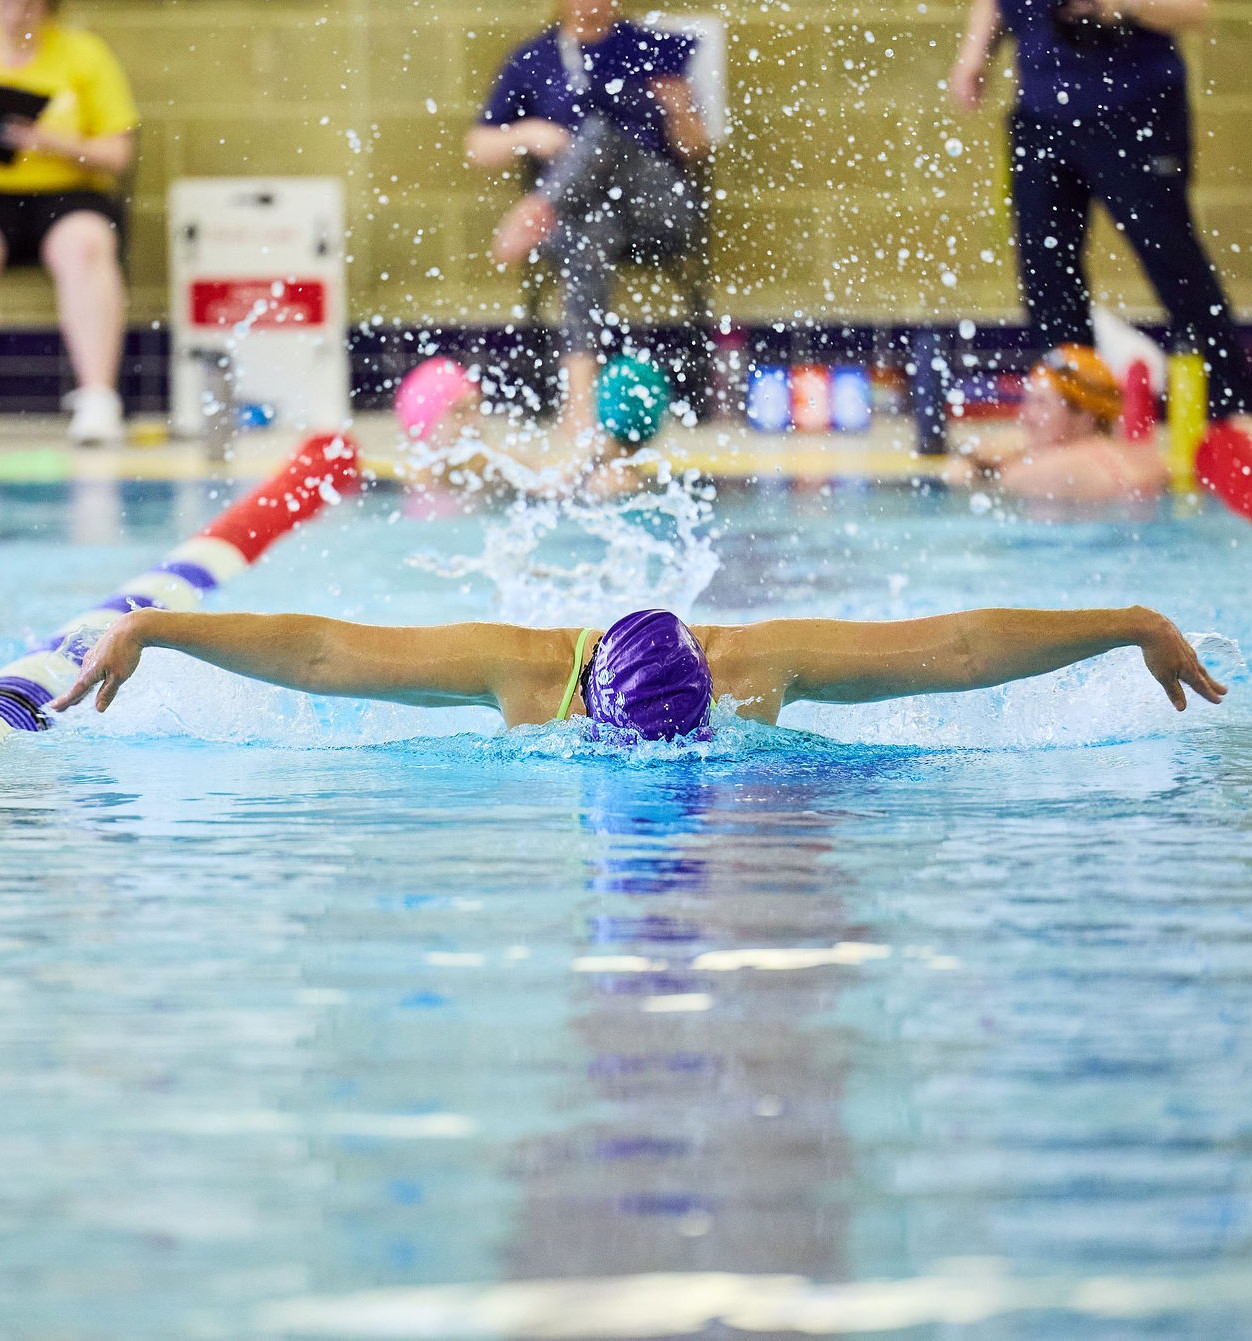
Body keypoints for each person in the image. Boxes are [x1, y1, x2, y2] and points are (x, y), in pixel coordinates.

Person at [53, 603, 1224, 739]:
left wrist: (1126, 622)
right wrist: (154, 626)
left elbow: (958, 651)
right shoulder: (521, 676)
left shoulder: (761, 670)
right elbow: (322, 652)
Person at [949, 0, 1252, 420]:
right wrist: (974, 55)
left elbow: (1195, 7)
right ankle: (1071, 409)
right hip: (1039, 115)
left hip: (1136, 109)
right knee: (1046, 268)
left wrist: (1125, 0)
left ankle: (1232, 404)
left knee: (1169, 256)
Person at [464, 0, 710, 443]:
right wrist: (527, 133)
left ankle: (536, 210)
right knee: (587, 227)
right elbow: (477, 146)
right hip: (583, 221)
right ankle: (581, 408)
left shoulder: (656, 49)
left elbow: (695, 150)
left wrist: (680, 112)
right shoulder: (533, 59)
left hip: (657, 207)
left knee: (601, 136)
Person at [0, 0, 137, 445]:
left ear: (48, 3)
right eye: (4, 0)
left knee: (84, 244)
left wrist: (52, 143)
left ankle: (98, 398)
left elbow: (118, 154)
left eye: (27, 2)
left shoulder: (83, 54)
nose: (16, 13)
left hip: (69, 192)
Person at [944, 343, 1169, 499]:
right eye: (1028, 401)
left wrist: (974, 461)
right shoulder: (1143, 457)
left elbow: (958, 477)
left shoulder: (1061, 466)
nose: (1025, 416)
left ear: (1085, 415)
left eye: (1041, 403)